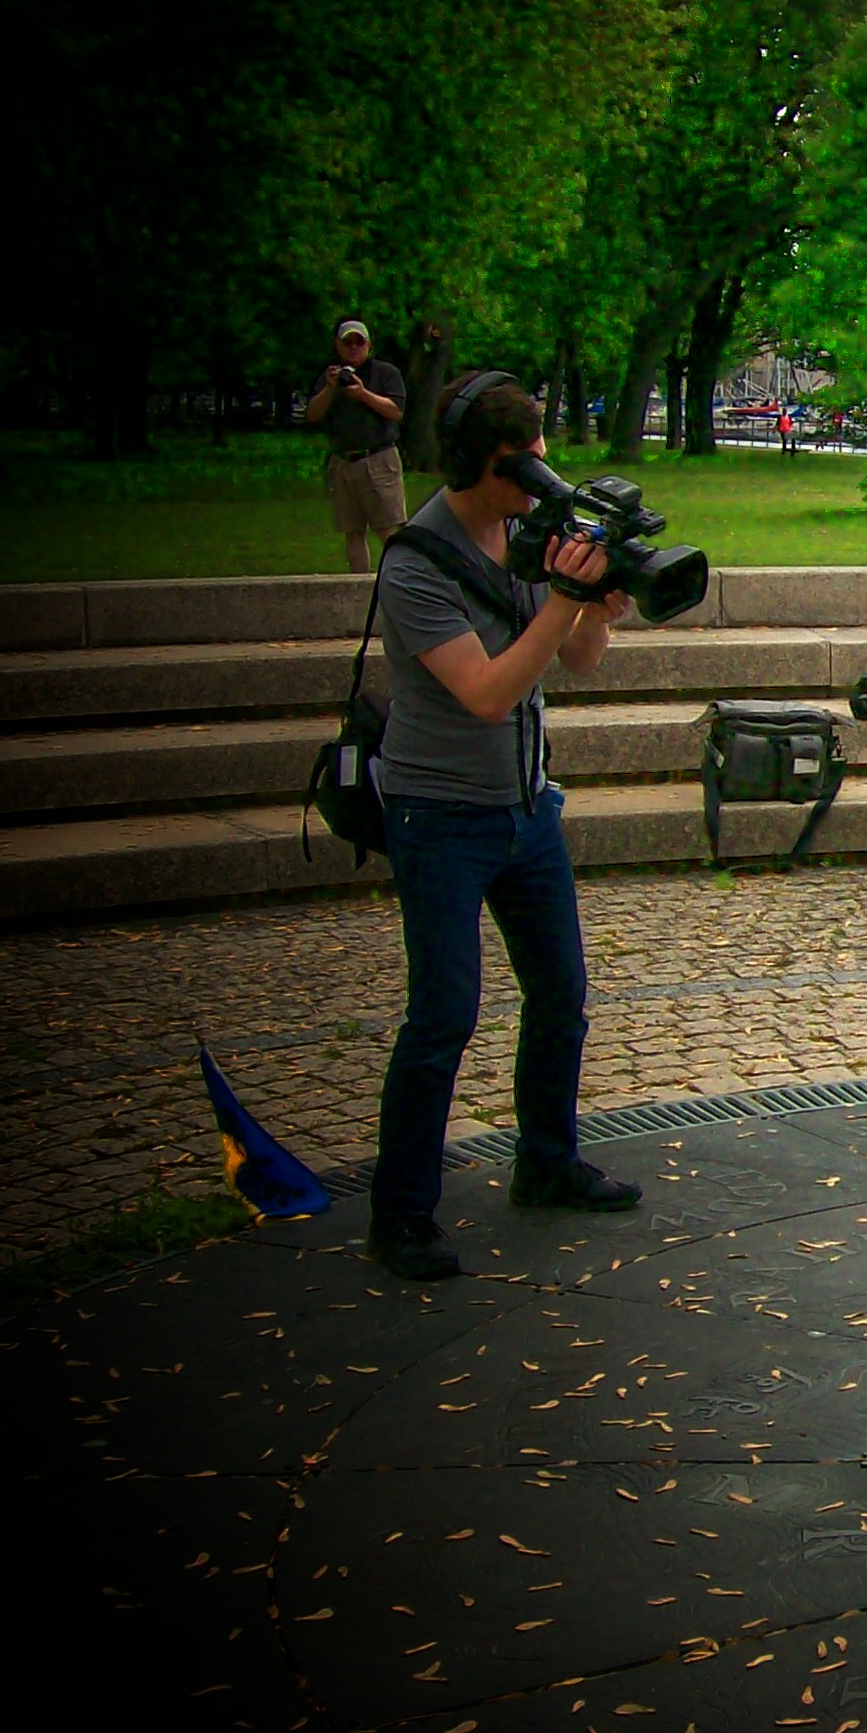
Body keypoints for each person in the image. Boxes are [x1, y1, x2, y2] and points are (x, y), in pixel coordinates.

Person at [365, 371, 639, 1280]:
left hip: (525, 807)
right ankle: (402, 1213)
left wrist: (595, 605)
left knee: (561, 994)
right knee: (444, 1013)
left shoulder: (526, 537)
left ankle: (547, 1162)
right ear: (481, 464)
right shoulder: (413, 562)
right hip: (438, 814)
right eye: (524, 465)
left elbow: (580, 662)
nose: (539, 480)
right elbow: (485, 692)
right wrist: (561, 598)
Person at [305, 317, 408, 572]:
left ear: (368, 346)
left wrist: (363, 394)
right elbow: (313, 415)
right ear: (337, 346)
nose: (353, 347)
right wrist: (330, 388)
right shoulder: (329, 378)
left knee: (387, 528)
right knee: (352, 531)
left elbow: (396, 411)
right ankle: (358, 585)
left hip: (377, 458)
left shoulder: (386, 373)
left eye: (358, 342)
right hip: (342, 462)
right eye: (347, 342)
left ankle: (400, 581)